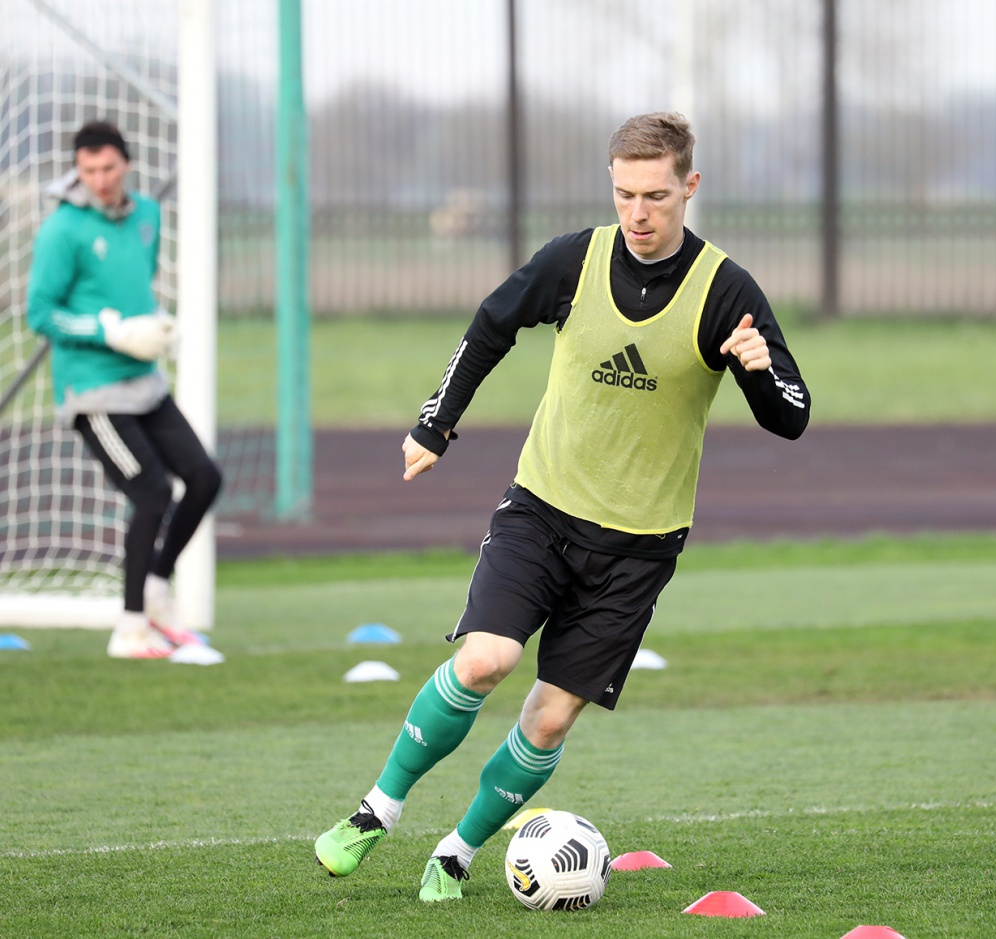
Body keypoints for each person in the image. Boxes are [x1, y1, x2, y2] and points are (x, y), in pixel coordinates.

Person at [314, 112, 811, 900]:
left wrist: (757, 368)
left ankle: (456, 852)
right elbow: (492, 323)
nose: (638, 213)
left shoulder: (726, 290)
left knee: (548, 720)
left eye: (655, 196)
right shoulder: (574, 260)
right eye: (624, 194)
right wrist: (436, 422)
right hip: (541, 512)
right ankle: (377, 808)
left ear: (690, 186)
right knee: (485, 660)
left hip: (638, 548)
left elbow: (790, 415)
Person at [26, 120, 222, 659]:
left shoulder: (147, 215)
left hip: (144, 382)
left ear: (126, 164)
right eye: (88, 169)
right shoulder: (63, 229)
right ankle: (131, 628)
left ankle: (156, 588)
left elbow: (138, 285)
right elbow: (40, 312)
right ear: (77, 170)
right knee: (153, 492)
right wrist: (106, 330)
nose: (99, 179)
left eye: (108, 167)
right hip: (94, 391)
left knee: (204, 477)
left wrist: (155, 323)